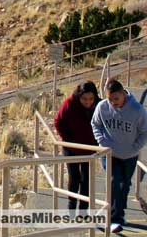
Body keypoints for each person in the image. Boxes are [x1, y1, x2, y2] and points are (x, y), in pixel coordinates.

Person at [91, 78, 147, 231]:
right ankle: (112, 217)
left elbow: (144, 132)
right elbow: (95, 124)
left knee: (125, 185)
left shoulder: (137, 110)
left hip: (130, 155)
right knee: (114, 182)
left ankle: (119, 214)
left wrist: (135, 148)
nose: (113, 102)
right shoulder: (102, 107)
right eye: (109, 99)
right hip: (109, 153)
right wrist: (101, 141)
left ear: (123, 94)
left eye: (116, 98)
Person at [54, 81, 100, 214]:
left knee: (87, 179)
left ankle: (84, 210)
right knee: (74, 177)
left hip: (90, 148)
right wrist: (67, 139)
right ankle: (72, 205)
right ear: (79, 96)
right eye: (84, 99)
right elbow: (58, 121)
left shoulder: (99, 105)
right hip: (72, 148)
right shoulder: (69, 104)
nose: (88, 102)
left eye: (91, 99)